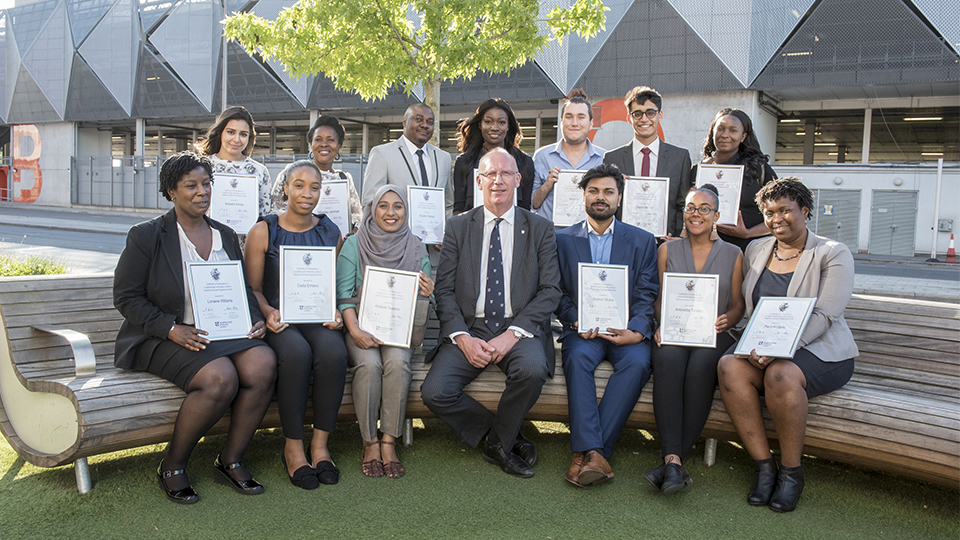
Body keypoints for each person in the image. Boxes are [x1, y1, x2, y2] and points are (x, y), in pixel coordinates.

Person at [113, 151, 276, 504]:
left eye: (206, 184)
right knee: (221, 378)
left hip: (221, 330)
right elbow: (126, 298)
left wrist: (255, 319)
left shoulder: (226, 235)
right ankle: (173, 465)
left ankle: (230, 460)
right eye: (191, 185)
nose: (202, 191)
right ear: (171, 191)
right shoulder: (147, 236)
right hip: (162, 335)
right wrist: (171, 329)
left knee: (263, 364)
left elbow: (241, 288)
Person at [717, 177, 858, 513]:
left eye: (785, 210)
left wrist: (783, 348)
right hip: (766, 346)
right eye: (769, 212)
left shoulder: (831, 253)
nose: (776, 218)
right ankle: (764, 467)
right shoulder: (756, 248)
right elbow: (754, 310)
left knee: (780, 373)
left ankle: (792, 473)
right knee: (729, 366)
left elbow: (826, 314)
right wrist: (751, 341)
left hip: (821, 350)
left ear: (804, 210)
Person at [420, 148, 561, 478]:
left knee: (531, 368)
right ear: (479, 181)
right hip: (472, 326)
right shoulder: (458, 227)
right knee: (434, 392)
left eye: (506, 173)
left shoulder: (540, 227)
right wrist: (462, 337)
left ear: (518, 180)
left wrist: (513, 335)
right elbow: (444, 291)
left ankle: (499, 444)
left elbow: (551, 290)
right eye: (491, 174)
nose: (498, 180)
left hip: (518, 326)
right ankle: (503, 436)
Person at [243, 160, 348, 490]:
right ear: (285, 188)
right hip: (279, 321)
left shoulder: (331, 231)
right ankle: (293, 448)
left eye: (314, 187)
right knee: (297, 353)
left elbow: (330, 284)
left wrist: (334, 310)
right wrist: (267, 310)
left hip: (316, 317)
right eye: (299, 185)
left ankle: (320, 445)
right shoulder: (264, 230)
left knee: (333, 352)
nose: (307, 193)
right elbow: (252, 289)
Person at [554, 163, 658, 487]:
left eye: (608, 192)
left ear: (619, 197)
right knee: (577, 358)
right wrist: (575, 319)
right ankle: (596, 453)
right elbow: (555, 291)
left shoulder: (642, 241)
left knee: (640, 362)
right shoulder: (561, 240)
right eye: (594, 191)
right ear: (583, 195)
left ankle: (586, 453)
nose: (601, 198)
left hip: (625, 331)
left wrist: (638, 331)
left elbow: (646, 291)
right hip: (582, 330)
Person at [645, 184, 745, 495]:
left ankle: (671, 460)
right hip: (674, 331)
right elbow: (658, 298)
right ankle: (675, 463)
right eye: (690, 207)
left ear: (716, 215)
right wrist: (661, 324)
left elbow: (739, 304)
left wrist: (729, 317)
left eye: (704, 209)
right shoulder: (667, 250)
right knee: (668, 360)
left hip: (714, 333)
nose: (696, 214)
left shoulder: (734, 253)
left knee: (701, 366)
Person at [336, 185, 434, 479]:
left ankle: (389, 441)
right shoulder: (355, 244)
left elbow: (421, 299)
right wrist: (354, 331)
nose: (391, 213)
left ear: (407, 211)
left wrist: (426, 293)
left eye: (398, 206)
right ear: (372, 209)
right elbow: (342, 295)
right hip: (359, 327)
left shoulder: (417, 247)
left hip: (398, 329)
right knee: (369, 364)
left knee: (397, 362)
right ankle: (370, 442)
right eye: (383, 206)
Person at [603, 86, 691, 237]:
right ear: (629, 118)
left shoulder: (680, 157)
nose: (644, 119)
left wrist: (679, 237)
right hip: (623, 239)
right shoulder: (612, 158)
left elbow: (683, 203)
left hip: (666, 241)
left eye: (650, 113)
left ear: (660, 115)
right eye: (637, 114)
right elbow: (607, 203)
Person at [697, 108, 778, 252]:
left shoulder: (758, 170)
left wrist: (748, 233)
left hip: (749, 250)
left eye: (733, 130)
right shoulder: (699, 171)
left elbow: (780, 213)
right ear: (712, 132)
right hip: (706, 249)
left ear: (743, 136)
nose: (725, 135)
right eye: (720, 129)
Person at [269, 116, 363, 235]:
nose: (324, 144)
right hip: (296, 242)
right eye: (318, 139)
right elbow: (275, 213)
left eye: (330, 140)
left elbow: (358, 219)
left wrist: (352, 233)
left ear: (339, 146)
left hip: (335, 245)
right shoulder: (292, 172)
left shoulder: (344, 179)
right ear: (311, 144)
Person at [361, 103, 453, 216]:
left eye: (430, 122)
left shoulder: (444, 158)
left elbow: (448, 204)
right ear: (404, 123)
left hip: (436, 232)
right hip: (396, 232)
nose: (425, 125)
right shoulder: (382, 154)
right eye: (419, 119)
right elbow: (370, 202)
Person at [531, 89, 605, 222]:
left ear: (591, 123)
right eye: (569, 117)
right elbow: (533, 204)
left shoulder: (603, 158)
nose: (574, 123)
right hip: (551, 237)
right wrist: (547, 185)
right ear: (561, 121)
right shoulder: (542, 156)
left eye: (581, 117)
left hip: (588, 236)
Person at [452, 98, 536, 212]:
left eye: (501, 122)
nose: (494, 127)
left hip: (512, 228)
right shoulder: (464, 162)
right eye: (488, 121)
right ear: (480, 124)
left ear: (508, 126)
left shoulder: (525, 162)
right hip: (473, 228)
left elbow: (525, 209)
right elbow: (458, 209)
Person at [196, 106, 272, 220]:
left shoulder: (260, 171)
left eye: (243, 134)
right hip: (207, 236)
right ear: (220, 132)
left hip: (248, 237)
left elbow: (265, 214)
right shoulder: (201, 167)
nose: (236, 139)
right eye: (231, 132)